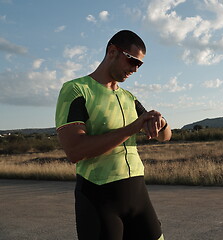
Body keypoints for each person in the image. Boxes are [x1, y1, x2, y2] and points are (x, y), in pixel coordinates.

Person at [55, 30, 171, 240]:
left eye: (140, 65)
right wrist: (132, 128)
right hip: (99, 198)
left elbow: (165, 136)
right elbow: (74, 150)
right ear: (112, 52)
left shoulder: (128, 97)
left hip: (138, 196)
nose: (135, 69)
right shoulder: (77, 90)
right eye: (132, 61)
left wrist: (159, 122)